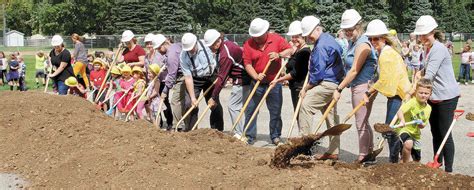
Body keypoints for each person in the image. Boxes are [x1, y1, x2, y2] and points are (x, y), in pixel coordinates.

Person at [413, 15, 460, 172]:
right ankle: (437, 162)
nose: (422, 38)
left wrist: (415, 90)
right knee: (435, 131)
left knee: (445, 133)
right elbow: (427, 70)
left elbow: (429, 76)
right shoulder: (428, 48)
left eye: (424, 34)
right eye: (420, 35)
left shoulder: (439, 48)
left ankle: (449, 170)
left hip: (447, 97)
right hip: (435, 97)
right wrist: (419, 72)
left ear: (432, 31)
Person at [295, 16, 345, 160]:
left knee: (306, 105)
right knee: (330, 116)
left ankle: (303, 146)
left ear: (318, 29)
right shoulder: (329, 39)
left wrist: (306, 88)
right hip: (334, 82)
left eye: (309, 34)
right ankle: (333, 151)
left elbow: (317, 74)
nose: (308, 37)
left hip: (327, 83)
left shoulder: (321, 46)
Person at [332, 9, 378, 163]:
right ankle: (369, 153)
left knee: (360, 122)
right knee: (363, 120)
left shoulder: (363, 44)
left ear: (359, 26)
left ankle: (364, 156)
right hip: (357, 86)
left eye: (350, 29)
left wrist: (339, 88)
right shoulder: (353, 42)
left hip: (363, 86)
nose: (348, 32)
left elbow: (354, 70)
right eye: (345, 30)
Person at [363, 19, 412, 163]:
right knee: (391, 128)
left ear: (384, 38)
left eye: (376, 38)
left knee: (390, 129)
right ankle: (396, 159)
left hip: (400, 96)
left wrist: (368, 92)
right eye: (370, 39)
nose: (373, 41)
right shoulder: (385, 51)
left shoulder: (386, 54)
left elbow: (385, 81)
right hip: (398, 94)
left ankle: (394, 162)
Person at [242, 18, 292, 145]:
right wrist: (255, 76)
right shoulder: (248, 44)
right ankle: (249, 136)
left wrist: (279, 55)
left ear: (265, 32)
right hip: (257, 83)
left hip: (273, 83)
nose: (257, 39)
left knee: (275, 110)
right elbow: (247, 63)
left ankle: (275, 136)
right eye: (255, 36)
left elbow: (289, 50)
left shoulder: (276, 39)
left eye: (259, 36)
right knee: (251, 110)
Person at [204, 29, 251, 138]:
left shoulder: (225, 54)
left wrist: (213, 97)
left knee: (233, 106)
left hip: (242, 79)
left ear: (217, 42)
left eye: (210, 45)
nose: (210, 48)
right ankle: (243, 131)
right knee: (239, 106)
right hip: (241, 78)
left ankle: (239, 133)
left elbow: (222, 77)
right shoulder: (227, 44)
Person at [180, 32, 224, 131]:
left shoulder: (207, 44)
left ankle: (217, 130)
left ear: (196, 43)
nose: (190, 51)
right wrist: (192, 98)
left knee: (214, 103)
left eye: (192, 48)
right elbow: (188, 77)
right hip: (195, 80)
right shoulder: (183, 56)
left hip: (211, 77)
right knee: (189, 104)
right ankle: (192, 131)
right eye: (188, 49)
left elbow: (220, 52)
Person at [272, 21, 310, 110]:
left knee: (301, 115)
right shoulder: (297, 51)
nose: (294, 39)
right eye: (292, 37)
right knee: (298, 116)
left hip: (300, 87)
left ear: (303, 36)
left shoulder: (304, 52)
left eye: (297, 36)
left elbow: (296, 73)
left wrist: (278, 80)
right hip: (294, 87)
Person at [394, 78, 432, 163]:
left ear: (430, 94)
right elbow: (400, 111)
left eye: (426, 93)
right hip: (404, 129)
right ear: (416, 92)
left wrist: (420, 124)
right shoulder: (412, 102)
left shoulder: (428, 108)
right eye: (421, 92)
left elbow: (423, 126)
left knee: (417, 160)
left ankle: (406, 164)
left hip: (415, 134)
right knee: (408, 143)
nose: (423, 95)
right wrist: (402, 121)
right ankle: (405, 164)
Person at [152, 34, 182, 130]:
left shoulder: (171, 55)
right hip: (183, 76)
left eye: (159, 48)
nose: (158, 51)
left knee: (175, 101)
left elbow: (172, 75)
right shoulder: (175, 47)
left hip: (182, 77)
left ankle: (178, 127)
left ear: (164, 44)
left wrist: (165, 91)